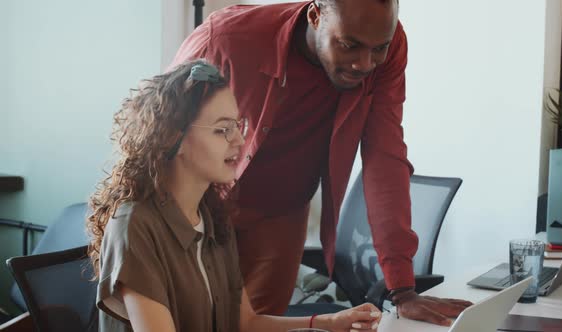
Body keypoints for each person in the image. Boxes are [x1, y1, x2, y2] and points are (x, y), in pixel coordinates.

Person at [169, 0, 473, 326]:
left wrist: (402, 290)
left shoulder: (388, 44)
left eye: (378, 49)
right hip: (204, 207)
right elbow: (163, 138)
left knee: (257, 323)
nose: (364, 64)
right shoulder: (225, 40)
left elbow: (386, 157)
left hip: (281, 214)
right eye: (349, 45)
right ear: (315, 15)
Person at [87, 60, 382, 332]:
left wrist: (331, 322)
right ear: (171, 137)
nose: (240, 141)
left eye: (238, 126)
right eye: (222, 130)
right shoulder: (134, 224)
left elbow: (245, 322)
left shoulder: (212, 215)